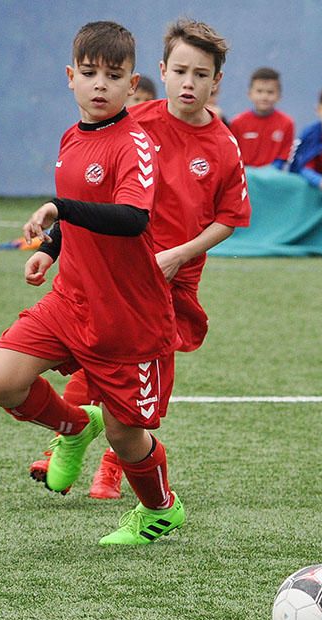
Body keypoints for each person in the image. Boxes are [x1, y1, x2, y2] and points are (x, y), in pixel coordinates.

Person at [27, 18, 251, 500]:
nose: (189, 83)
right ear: (162, 71)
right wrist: (53, 247)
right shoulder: (134, 123)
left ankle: (111, 469)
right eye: (180, 71)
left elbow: (230, 217)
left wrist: (180, 255)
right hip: (115, 272)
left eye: (202, 74)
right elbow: (94, 197)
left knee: (135, 393)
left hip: (171, 282)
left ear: (217, 82)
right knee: (94, 355)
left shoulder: (224, 145)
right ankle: (69, 436)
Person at [0, 20, 183, 545]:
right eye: (89, 73)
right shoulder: (72, 137)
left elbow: (131, 219)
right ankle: (73, 425)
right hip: (71, 300)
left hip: (128, 319)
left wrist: (57, 208)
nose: (99, 85)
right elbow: (78, 220)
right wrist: (51, 250)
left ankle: (160, 510)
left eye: (112, 76)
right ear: (70, 77)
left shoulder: (135, 145)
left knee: (126, 432)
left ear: (132, 85)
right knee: (1, 380)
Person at [229, 67, 294, 168]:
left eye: (270, 92)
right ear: (250, 94)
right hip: (246, 175)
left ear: (279, 96)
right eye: (259, 91)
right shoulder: (237, 123)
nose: (264, 97)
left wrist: (268, 172)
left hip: (273, 177)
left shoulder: (287, 123)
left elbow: (284, 156)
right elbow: (232, 155)